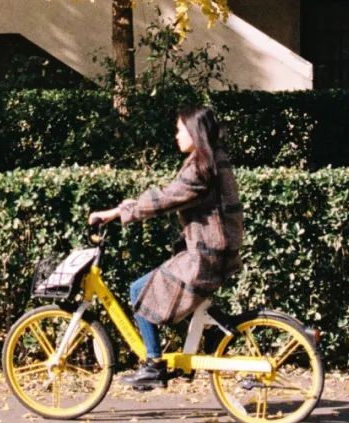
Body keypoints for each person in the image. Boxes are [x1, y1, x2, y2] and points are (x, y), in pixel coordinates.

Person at [89, 103, 243, 391]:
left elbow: (163, 200)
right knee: (172, 292)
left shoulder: (200, 168)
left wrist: (115, 213)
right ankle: (213, 335)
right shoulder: (214, 159)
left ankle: (154, 364)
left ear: (194, 132)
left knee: (138, 291)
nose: (176, 136)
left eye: (179, 130)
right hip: (214, 251)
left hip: (206, 255)